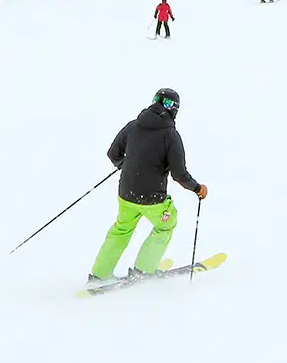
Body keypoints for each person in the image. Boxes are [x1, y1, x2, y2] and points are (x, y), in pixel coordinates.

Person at [87, 87, 208, 288]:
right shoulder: (170, 135)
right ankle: (143, 270)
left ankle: (99, 274)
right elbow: (179, 174)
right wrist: (197, 188)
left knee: (122, 229)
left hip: (126, 194)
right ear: (173, 110)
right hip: (152, 199)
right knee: (166, 224)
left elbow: (113, 154)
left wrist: (125, 166)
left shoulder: (133, 126)